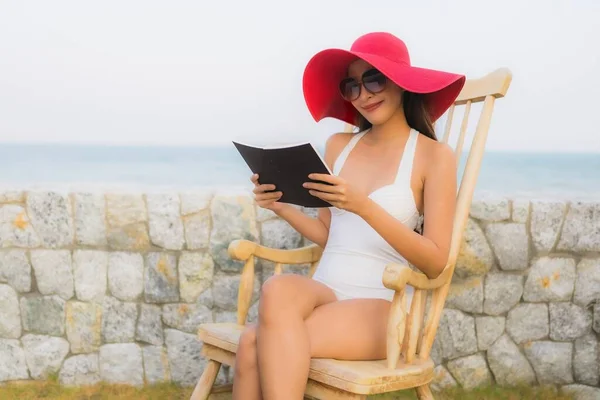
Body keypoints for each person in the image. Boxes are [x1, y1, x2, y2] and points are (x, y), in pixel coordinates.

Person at [232, 32, 466, 400]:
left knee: (253, 344)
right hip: (326, 290)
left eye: (374, 79)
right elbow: (329, 235)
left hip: (382, 304)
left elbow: (436, 262)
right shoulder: (339, 146)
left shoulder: (434, 157)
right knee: (276, 288)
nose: (364, 94)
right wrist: (281, 206)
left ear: (402, 83)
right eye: (351, 86)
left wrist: (364, 206)